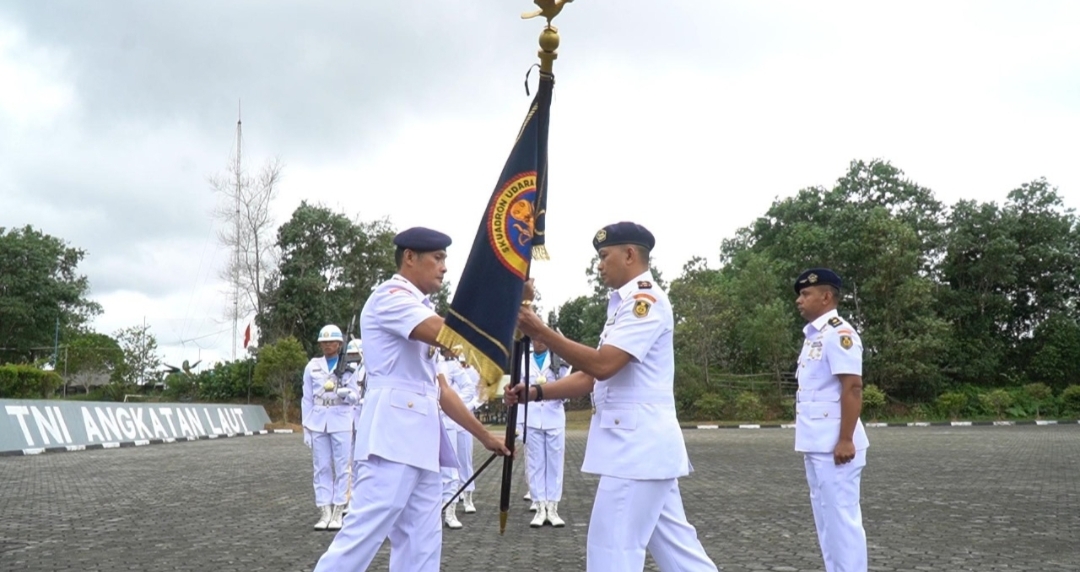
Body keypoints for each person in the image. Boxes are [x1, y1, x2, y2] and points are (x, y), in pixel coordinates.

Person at [508, 222, 718, 572]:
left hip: (636, 449)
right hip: (641, 449)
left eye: (604, 256)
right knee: (681, 556)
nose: (599, 265)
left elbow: (604, 365)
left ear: (630, 255)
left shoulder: (644, 301)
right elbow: (590, 376)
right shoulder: (622, 306)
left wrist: (542, 331)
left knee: (612, 550)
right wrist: (536, 392)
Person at [312, 227, 510, 572]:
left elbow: (442, 391)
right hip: (392, 438)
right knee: (362, 535)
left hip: (422, 441)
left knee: (422, 544)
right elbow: (449, 336)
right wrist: (503, 301)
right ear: (409, 258)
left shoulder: (420, 307)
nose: (444, 267)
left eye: (445, 258)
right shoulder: (391, 297)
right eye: (437, 258)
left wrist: (485, 437)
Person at [793, 268, 869, 572]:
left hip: (837, 446)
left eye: (805, 294)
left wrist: (846, 438)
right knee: (828, 525)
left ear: (826, 297)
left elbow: (852, 386)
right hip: (817, 444)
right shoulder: (815, 335)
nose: (799, 300)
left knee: (843, 525)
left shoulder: (840, 333)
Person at [301, 324, 361, 531]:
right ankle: (324, 510)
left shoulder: (351, 366)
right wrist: (306, 427)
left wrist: (347, 394)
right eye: (324, 342)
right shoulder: (313, 366)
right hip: (318, 419)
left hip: (341, 417)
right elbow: (307, 398)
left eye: (332, 342)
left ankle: (338, 509)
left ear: (339, 344)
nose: (328, 345)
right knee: (321, 467)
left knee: (343, 466)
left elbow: (356, 395)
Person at [520, 338, 569, 528]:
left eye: (543, 339)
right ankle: (540, 507)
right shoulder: (525, 360)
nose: (540, 343)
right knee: (535, 464)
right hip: (532, 416)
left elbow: (566, 386)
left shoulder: (558, 360)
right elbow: (520, 386)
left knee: (555, 463)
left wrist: (554, 393)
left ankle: (553, 507)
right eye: (536, 339)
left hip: (554, 415)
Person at [343, 338, 366, 514]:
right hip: (347, 420)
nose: (352, 359)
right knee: (347, 462)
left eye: (355, 355)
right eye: (349, 355)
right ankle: (348, 498)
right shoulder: (345, 371)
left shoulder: (369, 370)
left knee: (361, 462)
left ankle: (360, 499)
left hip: (364, 419)